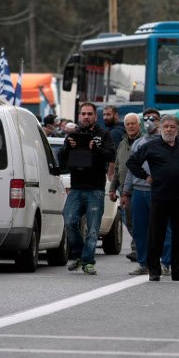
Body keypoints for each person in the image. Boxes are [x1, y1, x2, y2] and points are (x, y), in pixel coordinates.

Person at [127, 115, 179, 282]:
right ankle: (154, 271)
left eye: (172, 127)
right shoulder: (151, 146)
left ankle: (178, 271)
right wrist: (146, 177)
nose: (169, 129)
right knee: (156, 234)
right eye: (166, 126)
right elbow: (132, 162)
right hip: (159, 196)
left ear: (178, 129)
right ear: (160, 128)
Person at [58, 102, 115, 275]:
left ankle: (88, 261)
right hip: (76, 188)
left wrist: (96, 149)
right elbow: (61, 159)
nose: (86, 117)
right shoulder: (73, 135)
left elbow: (111, 155)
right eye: (83, 114)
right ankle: (78, 254)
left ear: (95, 116)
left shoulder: (103, 134)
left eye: (89, 114)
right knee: (69, 221)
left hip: (95, 189)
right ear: (79, 116)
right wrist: (68, 146)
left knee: (92, 229)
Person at [121, 109, 173, 276]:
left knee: (163, 228)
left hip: (160, 192)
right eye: (146, 119)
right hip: (139, 191)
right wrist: (126, 191)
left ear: (160, 122)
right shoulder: (139, 143)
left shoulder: (167, 143)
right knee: (139, 229)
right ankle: (144, 263)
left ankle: (166, 263)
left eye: (154, 119)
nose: (150, 121)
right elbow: (131, 168)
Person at [109, 112, 142, 262]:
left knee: (139, 220)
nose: (130, 126)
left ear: (139, 124)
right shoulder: (122, 144)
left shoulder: (144, 142)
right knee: (128, 220)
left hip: (140, 188)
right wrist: (112, 188)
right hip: (123, 189)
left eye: (133, 123)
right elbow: (117, 168)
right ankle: (140, 247)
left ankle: (138, 249)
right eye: (127, 124)